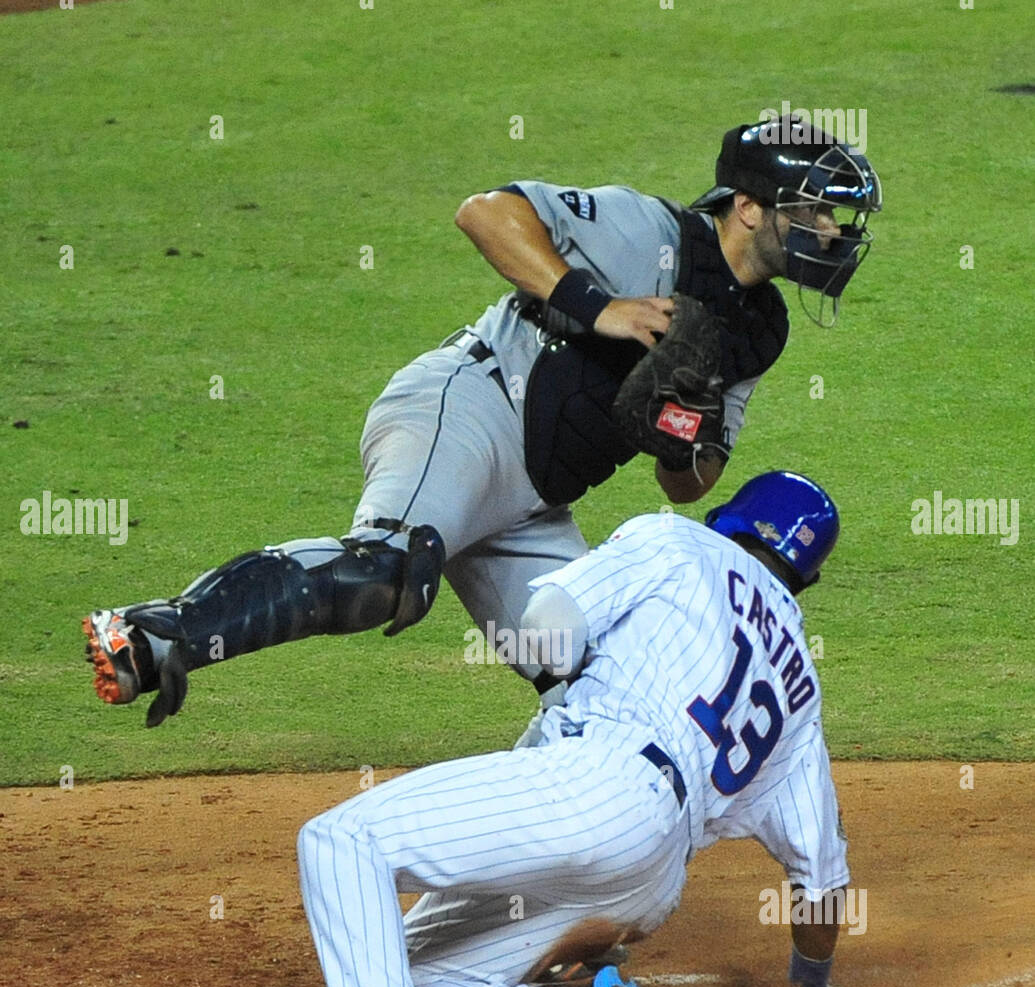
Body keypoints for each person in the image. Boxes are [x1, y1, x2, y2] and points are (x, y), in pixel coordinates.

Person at [82, 118, 881, 728]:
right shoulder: (651, 231)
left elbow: (688, 484)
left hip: (535, 506)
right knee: (388, 570)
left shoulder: (760, 331)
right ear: (748, 208)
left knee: (609, 692)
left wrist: (681, 434)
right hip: (469, 407)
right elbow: (486, 213)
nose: (834, 235)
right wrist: (597, 307)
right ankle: (151, 636)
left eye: (839, 221)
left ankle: (528, 893)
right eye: (819, 214)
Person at [268, 470, 852, 987]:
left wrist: (575, 681)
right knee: (381, 970)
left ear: (733, 517)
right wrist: (807, 986)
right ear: (805, 577)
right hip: (649, 881)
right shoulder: (800, 685)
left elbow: (546, 626)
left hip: (599, 786)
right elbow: (820, 879)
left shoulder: (678, 542)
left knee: (342, 841)